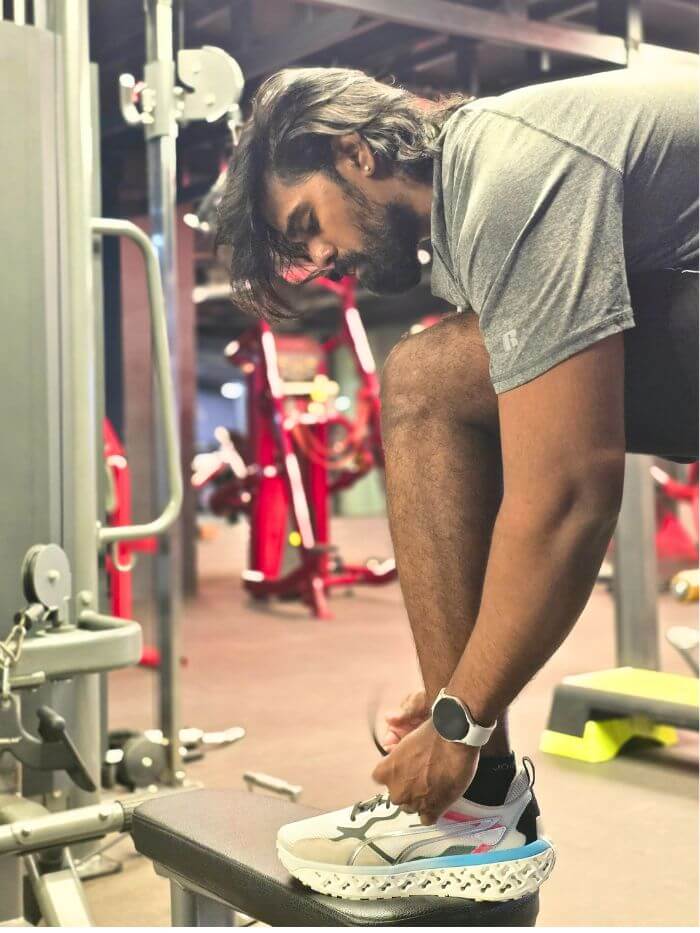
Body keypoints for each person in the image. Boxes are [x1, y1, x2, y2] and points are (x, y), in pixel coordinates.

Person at [216, 64, 699, 901]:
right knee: (434, 377)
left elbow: (568, 495)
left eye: (307, 223)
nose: (323, 256)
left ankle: (473, 796)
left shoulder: (513, 170)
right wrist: (473, 669)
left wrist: (460, 715)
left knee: (428, 380)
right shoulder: (476, 208)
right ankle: (477, 801)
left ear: (354, 152)